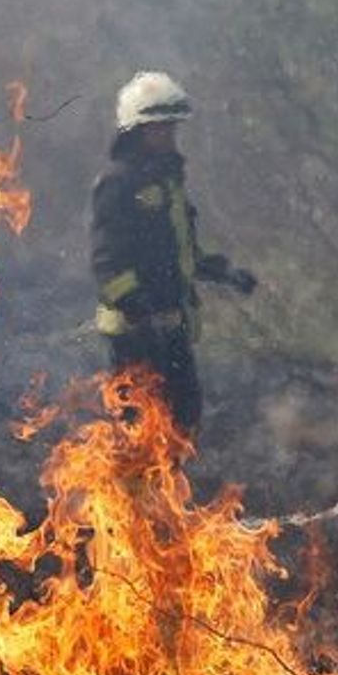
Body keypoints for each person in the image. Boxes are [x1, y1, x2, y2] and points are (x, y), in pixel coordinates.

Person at [90, 71, 257, 434]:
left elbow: (180, 251)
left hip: (172, 322)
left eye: (171, 127)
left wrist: (224, 273)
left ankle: (168, 491)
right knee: (139, 427)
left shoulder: (168, 181)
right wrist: (138, 308)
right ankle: (129, 492)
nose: (167, 135)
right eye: (158, 128)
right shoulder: (118, 183)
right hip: (134, 332)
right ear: (135, 131)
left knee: (182, 419)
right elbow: (107, 261)